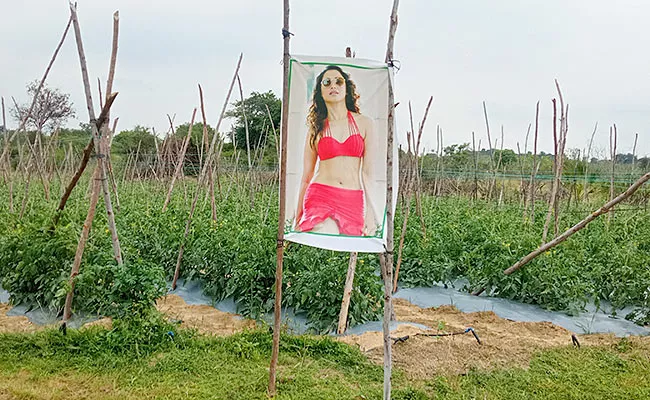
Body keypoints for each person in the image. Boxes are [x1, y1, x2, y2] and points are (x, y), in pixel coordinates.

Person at [294, 65, 379, 236]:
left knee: (349, 249)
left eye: (339, 81)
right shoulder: (316, 128)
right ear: (320, 92)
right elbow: (307, 176)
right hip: (320, 195)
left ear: (346, 89)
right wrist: (298, 216)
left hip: (352, 199)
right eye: (327, 82)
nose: (333, 86)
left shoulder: (365, 123)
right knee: (325, 235)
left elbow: (368, 174)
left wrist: (371, 213)